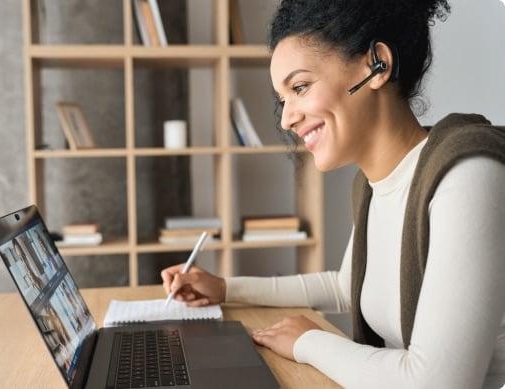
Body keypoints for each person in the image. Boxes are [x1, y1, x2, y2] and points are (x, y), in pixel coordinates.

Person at [161, 0, 505, 387]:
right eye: (283, 99)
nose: (288, 118)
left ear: (378, 64)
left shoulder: (467, 172)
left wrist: (309, 341)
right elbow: (346, 286)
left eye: (300, 87)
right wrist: (226, 288)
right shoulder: (372, 186)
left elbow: (437, 383)